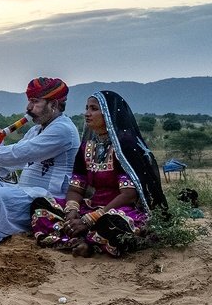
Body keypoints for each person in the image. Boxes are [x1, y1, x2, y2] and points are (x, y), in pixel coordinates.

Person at [31, 91, 167, 257]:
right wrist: (72, 212)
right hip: (90, 206)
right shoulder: (86, 147)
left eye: (94, 109)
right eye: (87, 108)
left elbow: (129, 195)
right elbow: (76, 188)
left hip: (119, 209)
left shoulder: (125, 146)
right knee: (41, 204)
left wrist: (90, 219)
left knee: (113, 224)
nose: (87, 113)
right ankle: (81, 240)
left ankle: (85, 242)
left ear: (109, 114)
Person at [0, 77, 80, 244]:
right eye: (29, 101)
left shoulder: (63, 129)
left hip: (48, 199)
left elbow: (20, 153)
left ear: (53, 104)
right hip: (25, 193)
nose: (28, 108)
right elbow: (12, 164)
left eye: (35, 102)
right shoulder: (36, 130)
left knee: (0, 195)